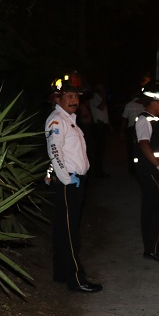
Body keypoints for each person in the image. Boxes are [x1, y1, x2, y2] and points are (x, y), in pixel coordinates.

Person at [45, 71, 103, 293]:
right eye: (69, 95)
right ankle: (77, 279)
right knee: (70, 233)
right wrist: (66, 178)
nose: (75, 100)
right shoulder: (57, 120)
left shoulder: (70, 121)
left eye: (77, 95)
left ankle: (61, 273)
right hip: (69, 183)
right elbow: (54, 150)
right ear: (57, 98)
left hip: (75, 181)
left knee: (64, 228)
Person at [133, 80, 159, 263]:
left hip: (152, 169)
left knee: (151, 209)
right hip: (150, 170)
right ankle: (155, 250)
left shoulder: (153, 120)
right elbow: (144, 145)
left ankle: (153, 247)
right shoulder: (144, 120)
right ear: (155, 102)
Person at [89, 81, 112, 178]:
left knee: (101, 150)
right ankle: (97, 172)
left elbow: (104, 113)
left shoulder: (99, 97)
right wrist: (104, 96)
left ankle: (99, 171)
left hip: (103, 125)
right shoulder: (94, 97)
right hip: (98, 125)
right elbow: (101, 107)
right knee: (98, 150)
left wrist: (109, 125)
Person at [121, 93, 145, 177]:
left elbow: (124, 118)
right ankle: (137, 169)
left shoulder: (129, 104)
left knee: (132, 150)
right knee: (139, 148)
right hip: (139, 129)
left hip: (132, 129)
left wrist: (122, 130)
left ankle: (133, 170)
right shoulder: (143, 104)